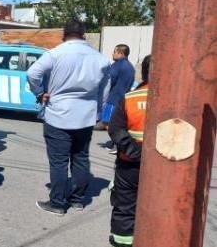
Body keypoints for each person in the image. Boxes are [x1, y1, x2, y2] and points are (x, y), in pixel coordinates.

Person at [27, 20, 110, 216]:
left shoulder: (55, 53)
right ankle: (77, 200)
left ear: (64, 34)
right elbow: (104, 91)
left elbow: (32, 73)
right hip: (86, 116)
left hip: (59, 115)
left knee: (59, 162)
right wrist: (97, 111)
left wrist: (39, 93)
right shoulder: (100, 59)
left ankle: (57, 203)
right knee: (81, 158)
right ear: (84, 34)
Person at [108, 55, 151, 247]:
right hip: (167, 168)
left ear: (143, 72)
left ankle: (122, 243)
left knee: (125, 206)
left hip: (130, 164)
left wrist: (136, 152)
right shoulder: (180, 101)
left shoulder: (130, 99)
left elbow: (115, 129)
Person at [95, 45, 135, 151]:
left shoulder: (117, 65)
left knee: (107, 122)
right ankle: (115, 143)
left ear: (121, 54)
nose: (113, 54)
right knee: (115, 122)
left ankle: (118, 144)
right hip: (123, 98)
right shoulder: (130, 67)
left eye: (115, 52)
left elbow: (109, 80)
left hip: (114, 98)